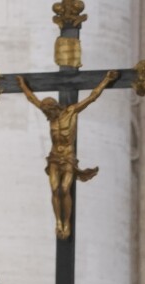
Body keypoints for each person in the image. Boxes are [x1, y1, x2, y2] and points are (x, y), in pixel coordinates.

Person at [15, 70, 119, 240]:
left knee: (64, 189)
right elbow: (32, 99)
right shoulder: (51, 116)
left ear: (54, 108)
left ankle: (66, 223)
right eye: (46, 112)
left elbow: (92, 97)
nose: (47, 115)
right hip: (54, 158)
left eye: (49, 111)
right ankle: (59, 223)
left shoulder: (70, 112)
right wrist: (22, 85)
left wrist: (106, 80)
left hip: (69, 159)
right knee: (55, 190)